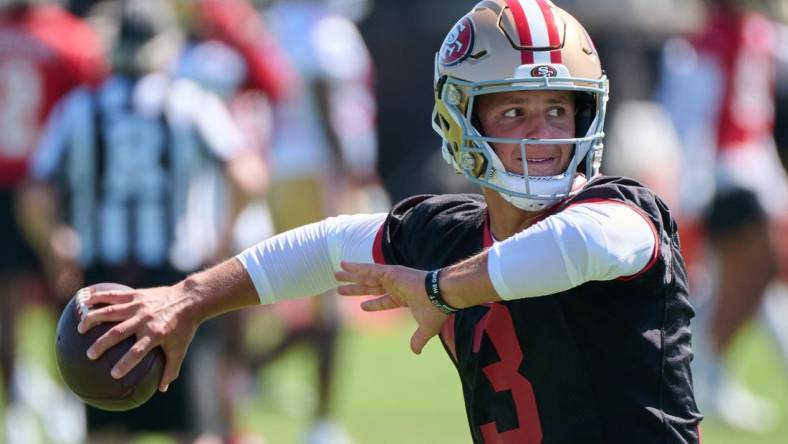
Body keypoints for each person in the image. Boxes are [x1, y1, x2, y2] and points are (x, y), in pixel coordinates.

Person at [76, 1, 703, 442]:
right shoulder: (449, 234)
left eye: (558, 109)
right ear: (464, 120)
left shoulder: (618, 212)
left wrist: (439, 290)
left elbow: (582, 246)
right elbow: (327, 245)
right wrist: (188, 300)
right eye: (513, 110)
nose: (542, 135)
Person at [30, 0, 250, 441]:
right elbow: (248, 175)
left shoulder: (80, 108)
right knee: (193, 426)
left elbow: (36, 193)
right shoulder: (192, 104)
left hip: (102, 284)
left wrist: (56, 244)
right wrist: (221, 239)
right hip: (177, 279)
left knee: (107, 422)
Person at [657, 0, 788, 431]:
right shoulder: (704, 41)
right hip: (725, 175)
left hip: (757, 171)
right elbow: (688, 116)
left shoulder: (763, 33)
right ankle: (700, 370)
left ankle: (704, 374)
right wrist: (692, 183)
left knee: (747, 279)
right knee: (757, 270)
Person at [0, 1, 105, 441]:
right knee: (65, 296)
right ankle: (65, 400)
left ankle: (19, 406)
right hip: (52, 188)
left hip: (9, 184)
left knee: (10, 304)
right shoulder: (74, 39)